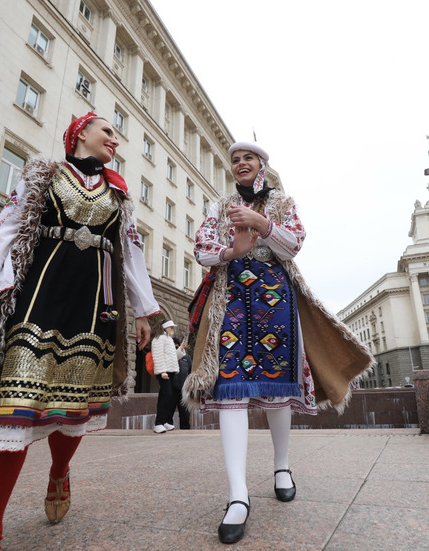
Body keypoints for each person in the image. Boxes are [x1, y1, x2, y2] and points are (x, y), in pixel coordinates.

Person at [0, 112, 160, 551]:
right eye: (107, 130)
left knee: (71, 407)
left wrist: (143, 311)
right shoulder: (43, 175)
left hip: (94, 309)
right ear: (80, 135)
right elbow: (6, 228)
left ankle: (58, 473)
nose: (115, 139)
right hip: (38, 299)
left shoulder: (120, 196)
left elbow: (131, 254)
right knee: (13, 406)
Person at [181, 141, 375, 544]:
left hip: (275, 300)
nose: (240, 164)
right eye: (234, 161)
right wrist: (230, 250)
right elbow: (200, 249)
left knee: (275, 390)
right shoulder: (219, 208)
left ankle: (282, 466)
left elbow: (296, 243)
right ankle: (238, 496)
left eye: (247, 158)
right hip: (231, 299)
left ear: (263, 166)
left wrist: (262, 223)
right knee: (230, 388)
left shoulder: (284, 203)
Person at [150, 319, 182, 433]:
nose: (172, 330)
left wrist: (181, 349)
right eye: (171, 328)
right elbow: (157, 356)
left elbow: (171, 357)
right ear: (165, 328)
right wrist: (162, 371)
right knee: (166, 395)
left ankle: (164, 421)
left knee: (168, 396)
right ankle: (158, 423)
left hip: (171, 371)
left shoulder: (168, 339)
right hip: (165, 372)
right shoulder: (159, 338)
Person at [175, 336, 193, 429]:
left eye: (177, 345)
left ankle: (185, 430)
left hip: (184, 390)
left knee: (185, 414)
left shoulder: (187, 358)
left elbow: (190, 372)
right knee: (168, 412)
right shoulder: (172, 355)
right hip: (172, 389)